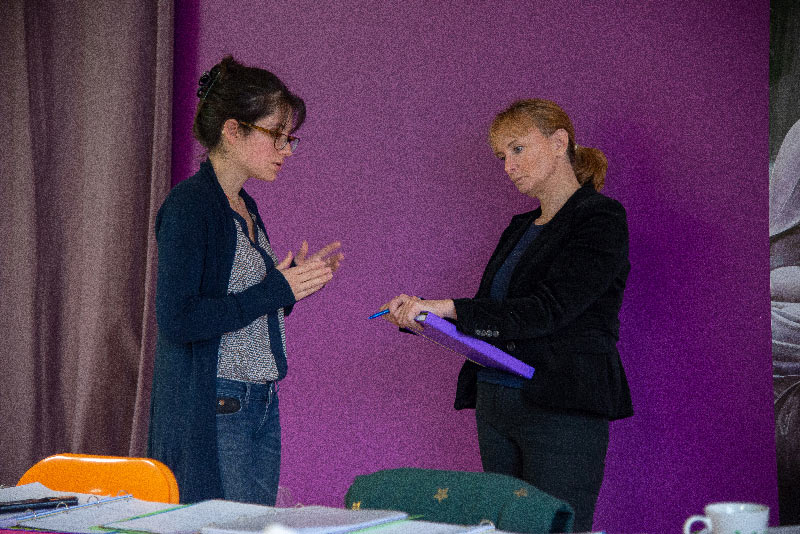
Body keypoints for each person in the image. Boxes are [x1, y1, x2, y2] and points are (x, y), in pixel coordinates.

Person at [382, 99, 632, 531]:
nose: (508, 167)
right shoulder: (519, 227)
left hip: (561, 405)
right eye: (501, 156)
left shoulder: (601, 218)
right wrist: (424, 318)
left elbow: (548, 310)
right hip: (496, 403)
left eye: (517, 149)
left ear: (559, 142)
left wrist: (448, 307)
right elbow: (495, 315)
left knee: (557, 528)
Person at [147, 56, 343, 505]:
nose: (287, 150)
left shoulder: (244, 205)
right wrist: (275, 290)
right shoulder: (190, 206)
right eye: (277, 135)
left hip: (259, 400)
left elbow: (241, 302)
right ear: (233, 131)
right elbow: (178, 319)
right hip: (218, 402)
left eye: (290, 138)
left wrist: (290, 285)